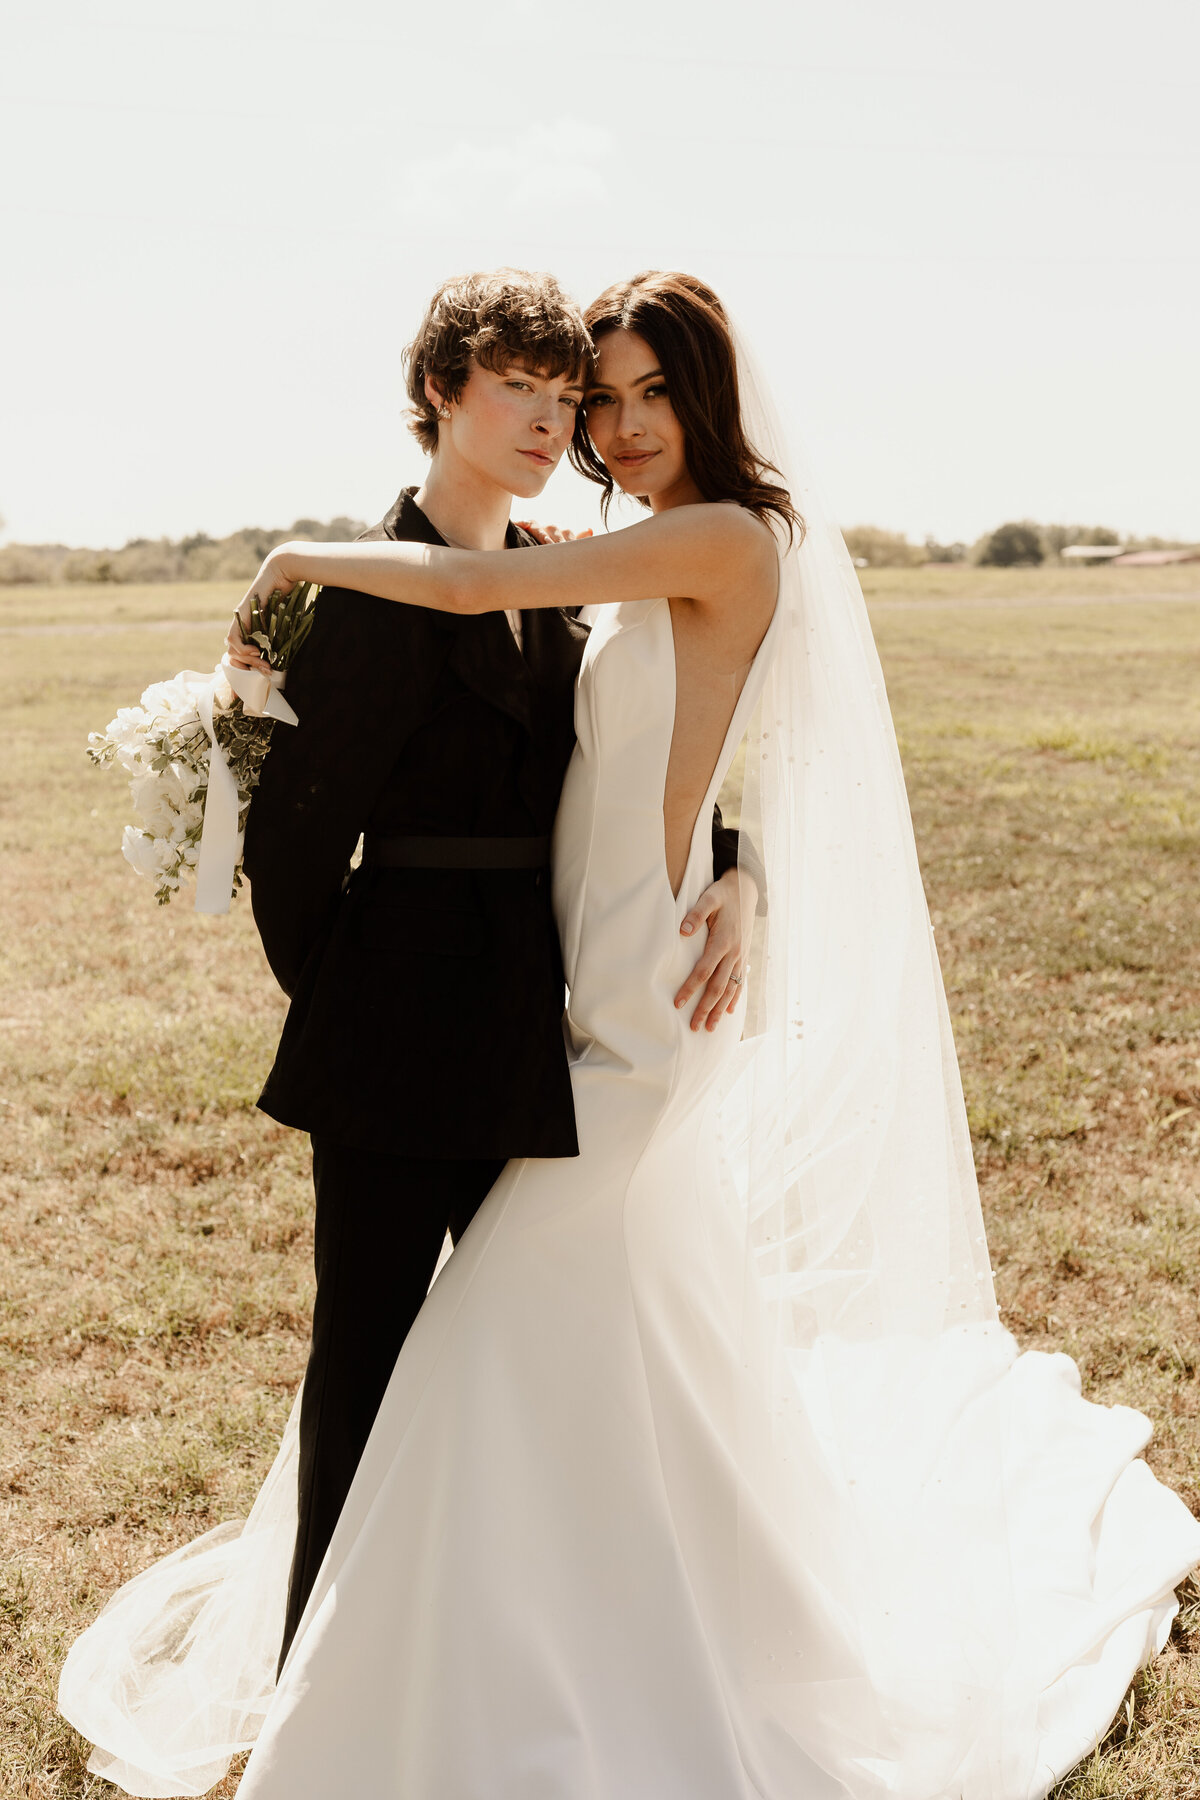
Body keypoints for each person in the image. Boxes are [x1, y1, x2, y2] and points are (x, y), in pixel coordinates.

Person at [61, 272, 1200, 1799]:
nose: (615, 423)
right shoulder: (607, 555)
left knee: (491, 1328)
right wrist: (738, 870)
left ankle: (440, 1659)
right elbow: (680, 741)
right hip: (575, 981)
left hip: (633, 1015)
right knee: (603, 1337)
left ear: (712, 396)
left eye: (647, 392)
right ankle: (559, 1612)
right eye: (602, 396)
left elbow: (493, 606)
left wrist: (277, 564)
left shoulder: (720, 533)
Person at [239, 267, 760, 1668]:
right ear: (439, 398)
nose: (556, 419)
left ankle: (505, 1654)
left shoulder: (556, 573)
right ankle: (317, 1672)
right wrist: (351, 1013)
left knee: (523, 1359)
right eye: (524, 391)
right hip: (397, 1047)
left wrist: (737, 865)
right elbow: (290, 847)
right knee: (367, 1359)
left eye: (565, 393)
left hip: (553, 1032)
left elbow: (647, 750)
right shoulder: (368, 590)